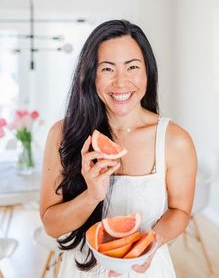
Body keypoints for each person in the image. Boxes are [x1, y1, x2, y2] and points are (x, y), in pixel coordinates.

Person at [40, 19, 197, 278]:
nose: (121, 82)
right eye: (107, 69)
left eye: (132, 67)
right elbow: (52, 226)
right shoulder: (62, 134)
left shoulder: (174, 140)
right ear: (91, 75)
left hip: (144, 268)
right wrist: (91, 195)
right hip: (80, 270)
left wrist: (149, 244)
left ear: (148, 71)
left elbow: (180, 211)